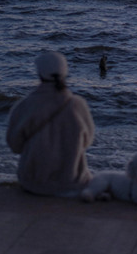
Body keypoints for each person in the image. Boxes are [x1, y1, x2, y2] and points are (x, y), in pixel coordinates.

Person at [6, 51, 95, 197]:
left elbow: (15, 145)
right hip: (72, 183)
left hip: (34, 184)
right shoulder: (78, 104)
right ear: (64, 72)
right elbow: (87, 141)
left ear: (39, 73)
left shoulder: (24, 105)